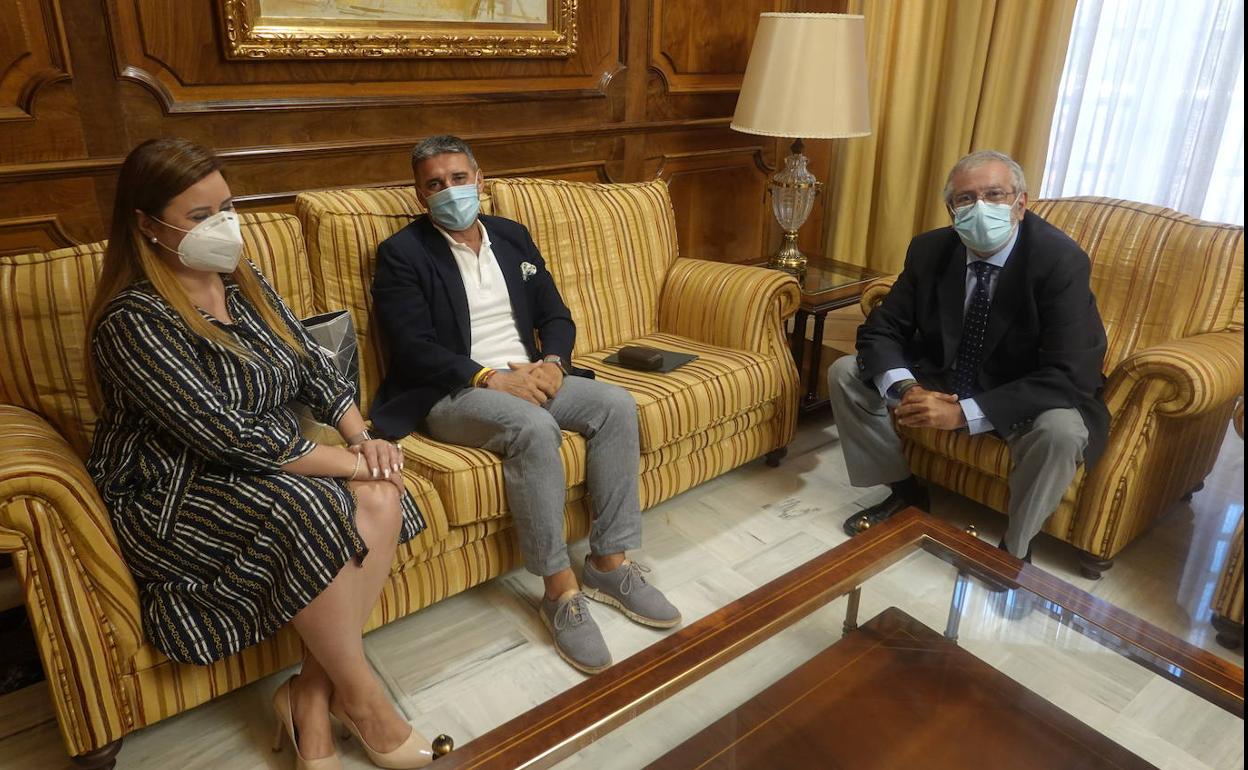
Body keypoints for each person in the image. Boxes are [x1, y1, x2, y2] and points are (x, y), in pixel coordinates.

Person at [86, 138, 437, 770]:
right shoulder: (132, 320)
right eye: (200, 216)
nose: (223, 226)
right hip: (173, 490)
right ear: (147, 225)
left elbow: (314, 367)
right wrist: (350, 463)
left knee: (384, 490)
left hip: (269, 463)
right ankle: (364, 703)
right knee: (313, 505)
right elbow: (225, 435)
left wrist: (363, 438)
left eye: (226, 207)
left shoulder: (241, 281)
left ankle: (310, 699)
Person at [370, 135, 680, 674]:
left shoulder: (512, 236)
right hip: (453, 390)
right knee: (533, 428)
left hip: (530, 373)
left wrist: (553, 363)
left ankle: (609, 563)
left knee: (615, 405)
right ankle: (560, 592)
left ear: (479, 179)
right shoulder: (402, 253)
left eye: (458, 178)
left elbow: (556, 314)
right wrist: (489, 377)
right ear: (420, 196)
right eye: (435, 184)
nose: (450, 191)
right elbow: (414, 347)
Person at [827, 150, 1109, 561]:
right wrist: (908, 390)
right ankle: (905, 494)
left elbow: (1070, 373)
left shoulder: (1059, 260)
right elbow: (881, 329)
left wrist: (963, 413)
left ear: (1020, 203)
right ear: (951, 210)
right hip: (948, 372)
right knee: (845, 373)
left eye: (994, 195)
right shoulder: (930, 249)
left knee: (1061, 432)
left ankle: (1014, 549)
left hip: (1023, 388)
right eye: (966, 198)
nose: (980, 208)